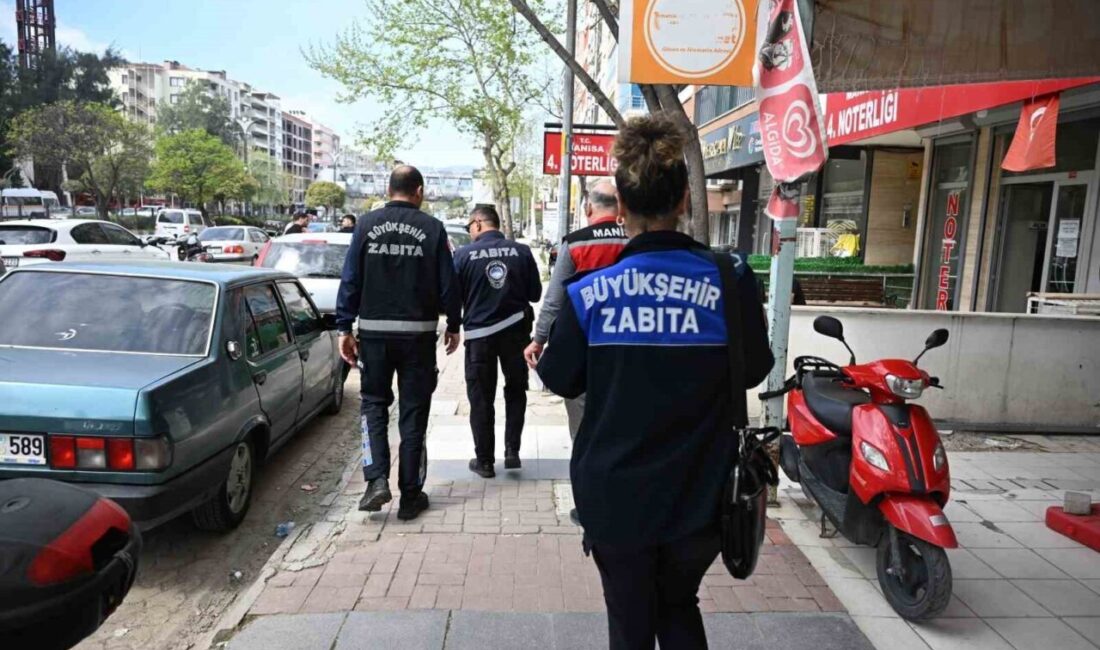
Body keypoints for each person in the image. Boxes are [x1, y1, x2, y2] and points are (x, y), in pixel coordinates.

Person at [537, 113, 774, 650]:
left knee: (629, 618)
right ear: (685, 200)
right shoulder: (730, 278)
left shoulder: (590, 292)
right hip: (702, 494)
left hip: (614, 497)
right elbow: (756, 369)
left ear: (621, 207)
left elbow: (558, 375)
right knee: (678, 602)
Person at [335, 165, 462, 521]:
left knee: (373, 405)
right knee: (414, 411)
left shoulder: (364, 225)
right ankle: (410, 495)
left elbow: (351, 279)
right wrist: (454, 323)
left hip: (373, 336)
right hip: (418, 337)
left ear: (388, 189)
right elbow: (448, 283)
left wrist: (344, 327)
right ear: (418, 191)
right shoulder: (433, 229)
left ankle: (376, 481)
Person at [525, 179, 627, 440]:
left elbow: (554, 300)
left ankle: (585, 471)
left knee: (583, 425)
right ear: (620, 208)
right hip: (629, 343)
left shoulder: (574, 243)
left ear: (588, 209)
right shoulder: (635, 240)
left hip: (584, 346)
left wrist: (538, 340)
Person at [453, 205, 542, 478]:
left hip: (479, 338)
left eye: (469, 226)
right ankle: (512, 451)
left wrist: (455, 326)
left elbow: (452, 298)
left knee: (481, 397)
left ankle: (485, 461)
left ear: (478, 223)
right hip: (516, 335)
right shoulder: (521, 251)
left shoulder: (462, 255)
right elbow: (536, 294)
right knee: (516, 391)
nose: (470, 232)